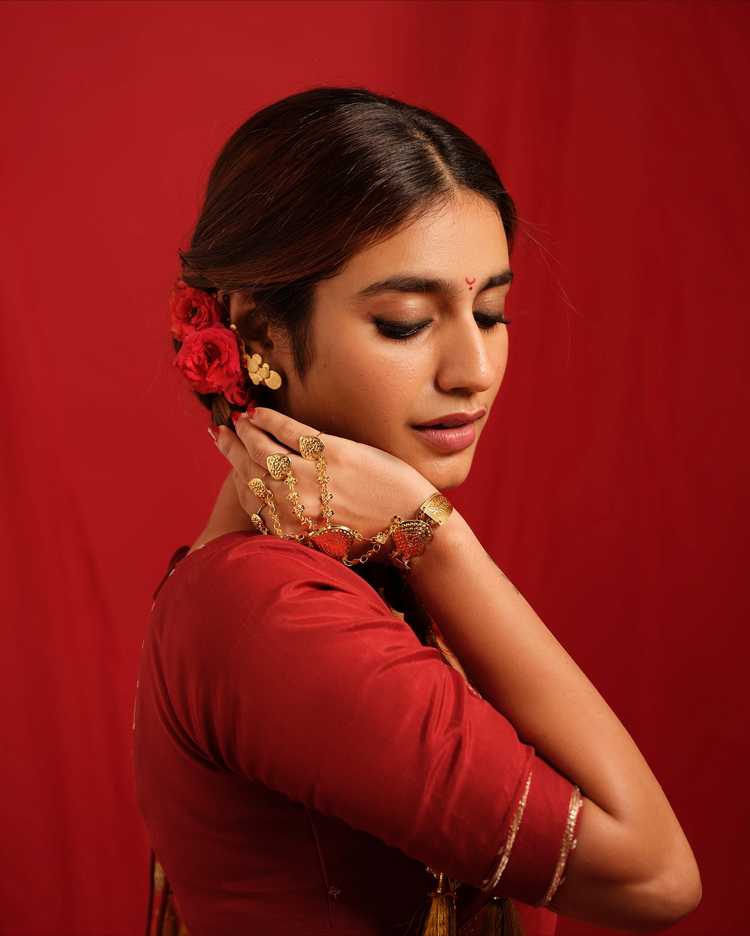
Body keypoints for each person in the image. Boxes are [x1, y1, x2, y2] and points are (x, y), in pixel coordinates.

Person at [132, 86, 701, 936]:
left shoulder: (333, 574)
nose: (474, 369)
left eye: (491, 312)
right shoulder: (271, 611)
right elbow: (656, 877)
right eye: (405, 323)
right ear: (256, 333)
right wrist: (435, 537)